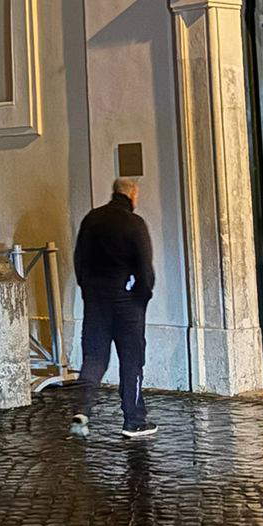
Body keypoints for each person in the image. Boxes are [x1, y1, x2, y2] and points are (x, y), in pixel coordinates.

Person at [70, 178, 156, 442]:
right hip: (126, 303)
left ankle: (81, 411)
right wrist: (142, 297)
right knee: (132, 361)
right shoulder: (135, 224)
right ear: (132, 194)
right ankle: (134, 420)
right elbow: (144, 269)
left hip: (96, 301)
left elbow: (79, 260)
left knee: (94, 359)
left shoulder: (91, 219)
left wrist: (88, 290)